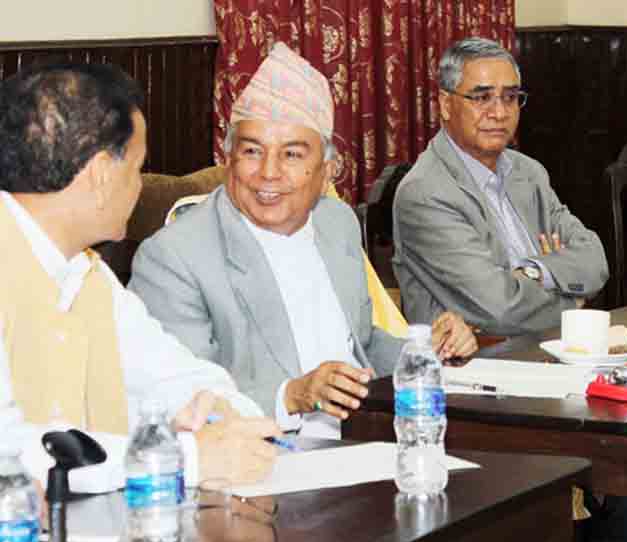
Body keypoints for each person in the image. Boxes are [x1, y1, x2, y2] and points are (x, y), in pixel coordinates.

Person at [129, 43, 477, 439]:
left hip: (357, 442)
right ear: (228, 159)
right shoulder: (174, 257)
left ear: (327, 170)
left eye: (292, 154)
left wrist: (426, 349)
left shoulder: (336, 222)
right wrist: (291, 396)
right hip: (255, 456)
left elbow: (360, 344)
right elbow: (180, 401)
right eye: (252, 151)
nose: (268, 172)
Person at [0, 61, 281, 487]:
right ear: (101, 174)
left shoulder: (88, 274)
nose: (138, 187)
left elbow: (181, 377)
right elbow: (11, 453)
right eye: (136, 170)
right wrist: (184, 458)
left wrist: (219, 415)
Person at [392, 37, 609, 337]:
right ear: (445, 104)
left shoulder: (529, 172)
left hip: (552, 347)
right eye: (482, 98)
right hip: (477, 359)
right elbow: (500, 308)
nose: (499, 113)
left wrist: (534, 272)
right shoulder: (426, 193)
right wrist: (573, 299)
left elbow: (594, 259)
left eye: (510, 97)